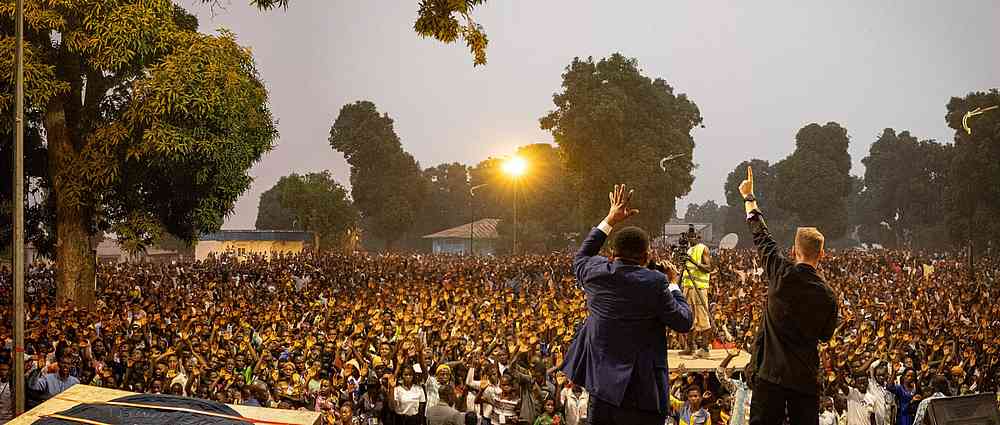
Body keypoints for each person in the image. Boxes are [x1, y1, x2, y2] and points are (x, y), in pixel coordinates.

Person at [561, 184, 694, 425]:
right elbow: (684, 322)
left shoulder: (595, 273)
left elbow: (582, 255)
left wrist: (610, 219)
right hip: (643, 396)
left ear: (612, 253)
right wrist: (673, 284)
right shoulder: (656, 282)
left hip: (601, 392)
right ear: (646, 256)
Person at [738, 166, 839, 425]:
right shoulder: (828, 295)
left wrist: (749, 198)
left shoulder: (781, 273)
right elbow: (826, 336)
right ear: (822, 254)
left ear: (794, 251)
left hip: (769, 374)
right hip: (804, 378)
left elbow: (762, 236)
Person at [681, 230, 714, 358]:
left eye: (692, 236)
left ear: (698, 237)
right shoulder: (689, 250)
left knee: (703, 318)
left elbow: (708, 268)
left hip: (699, 288)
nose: (690, 239)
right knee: (689, 317)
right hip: (688, 287)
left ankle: (705, 349)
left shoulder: (703, 249)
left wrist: (693, 262)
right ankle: (690, 347)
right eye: (688, 237)